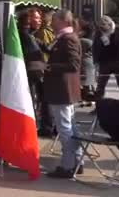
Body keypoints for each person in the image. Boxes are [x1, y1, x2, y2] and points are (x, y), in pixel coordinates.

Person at [45, 9, 83, 179]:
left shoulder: (68, 39)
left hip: (63, 90)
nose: (51, 23)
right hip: (63, 90)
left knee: (65, 128)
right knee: (71, 127)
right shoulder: (63, 38)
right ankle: (76, 161)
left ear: (63, 21)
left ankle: (68, 166)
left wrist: (50, 67)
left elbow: (74, 64)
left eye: (54, 20)